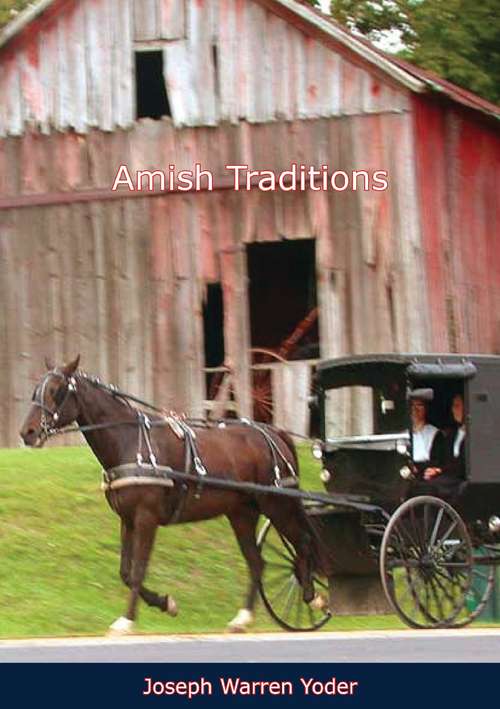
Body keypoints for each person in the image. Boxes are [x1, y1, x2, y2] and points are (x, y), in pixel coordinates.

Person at [422, 394, 466, 498]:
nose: (453, 410)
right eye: (453, 406)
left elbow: (464, 463)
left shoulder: (475, 435)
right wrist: (434, 469)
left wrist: (440, 470)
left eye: (457, 405)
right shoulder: (452, 434)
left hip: (461, 479)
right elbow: (443, 458)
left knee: (432, 487)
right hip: (448, 477)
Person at [411, 397, 440, 470]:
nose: (415, 409)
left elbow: (437, 461)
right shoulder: (404, 433)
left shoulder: (435, 433)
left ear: (426, 409)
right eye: (411, 405)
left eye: (419, 405)